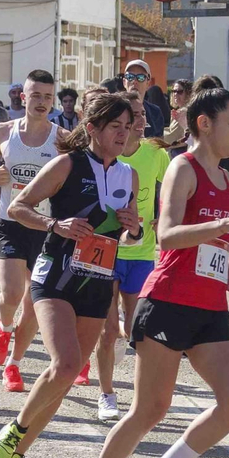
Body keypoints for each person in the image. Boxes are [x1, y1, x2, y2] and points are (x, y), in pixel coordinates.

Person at [67, 88, 229, 458]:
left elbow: (214, 234)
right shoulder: (184, 168)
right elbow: (170, 234)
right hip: (169, 302)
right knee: (148, 410)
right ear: (204, 124)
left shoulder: (226, 175)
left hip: (209, 307)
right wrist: (227, 226)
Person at [0, 93, 142, 458]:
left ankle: (14, 456)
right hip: (55, 275)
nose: (124, 134)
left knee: (64, 375)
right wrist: (56, 225)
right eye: (115, 127)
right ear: (92, 129)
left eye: (128, 127)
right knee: (67, 365)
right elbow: (18, 207)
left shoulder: (129, 173)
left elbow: (128, 232)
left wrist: (133, 228)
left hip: (97, 280)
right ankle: (12, 434)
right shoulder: (66, 164)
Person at [0, 70, 63, 393]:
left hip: (44, 228)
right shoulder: (3, 132)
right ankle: (3, 326)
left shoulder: (62, 138)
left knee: (33, 301)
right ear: (23, 97)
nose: (42, 102)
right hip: (10, 223)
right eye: (36, 96)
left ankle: (13, 364)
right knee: (12, 292)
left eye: (47, 96)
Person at [93, 89, 170, 421]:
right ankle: (106, 395)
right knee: (108, 330)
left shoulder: (155, 154)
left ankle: (140, 397)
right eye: (129, 117)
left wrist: (163, 217)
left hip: (140, 252)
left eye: (140, 116)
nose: (138, 122)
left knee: (138, 329)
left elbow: (172, 193)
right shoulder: (102, 154)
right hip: (104, 253)